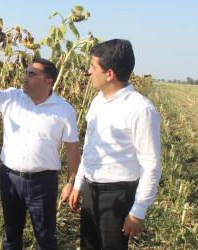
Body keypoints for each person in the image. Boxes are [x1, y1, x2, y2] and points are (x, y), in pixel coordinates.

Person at [0, 56, 80, 249]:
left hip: (43, 183)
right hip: (10, 179)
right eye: (25, 73)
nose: (25, 78)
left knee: (46, 238)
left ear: (48, 82)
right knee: (11, 236)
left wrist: (71, 182)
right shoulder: (10, 98)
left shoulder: (64, 110)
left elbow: (72, 149)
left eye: (32, 74)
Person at [69, 39, 162, 249]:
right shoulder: (97, 101)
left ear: (109, 74)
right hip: (92, 191)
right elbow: (90, 147)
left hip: (117, 197)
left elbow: (151, 165)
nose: (89, 72)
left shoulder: (141, 109)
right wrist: (79, 184)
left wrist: (138, 211)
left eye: (93, 67)